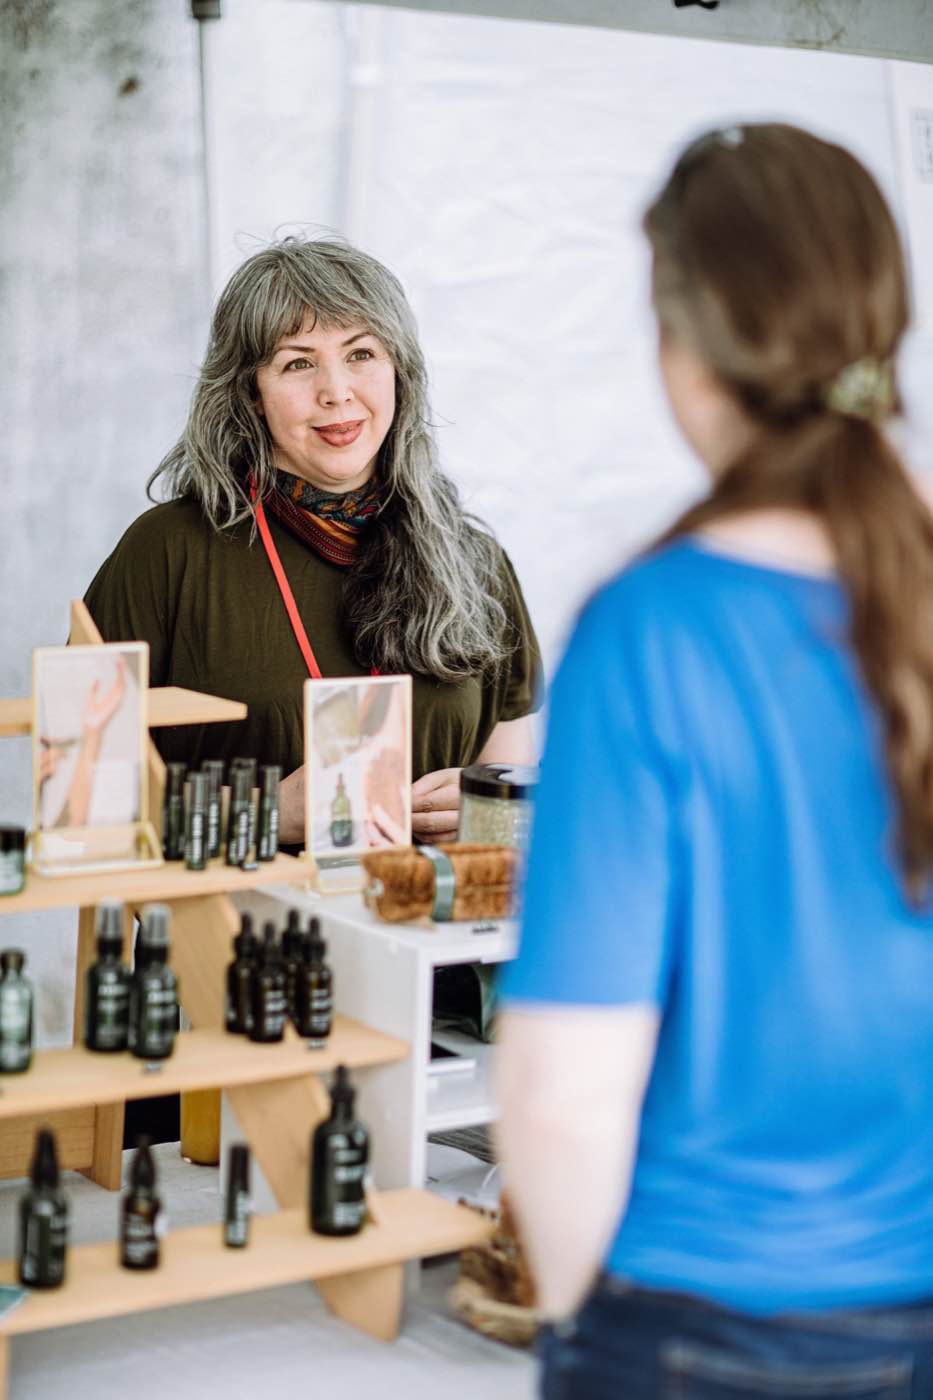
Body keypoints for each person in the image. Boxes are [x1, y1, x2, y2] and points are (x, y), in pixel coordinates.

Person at [498, 122, 933, 1397]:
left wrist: (582, 1331)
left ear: (688, 354)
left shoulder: (649, 633)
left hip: (693, 1317)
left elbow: (565, 1089)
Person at [84, 238, 540, 844]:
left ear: (399, 371)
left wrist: (489, 807)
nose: (337, 391)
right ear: (250, 391)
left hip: (432, 931)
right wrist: (269, 811)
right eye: (298, 363)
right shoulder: (166, 553)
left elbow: (522, 782)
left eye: (361, 354)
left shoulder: (475, 560)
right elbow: (80, 798)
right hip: (235, 936)